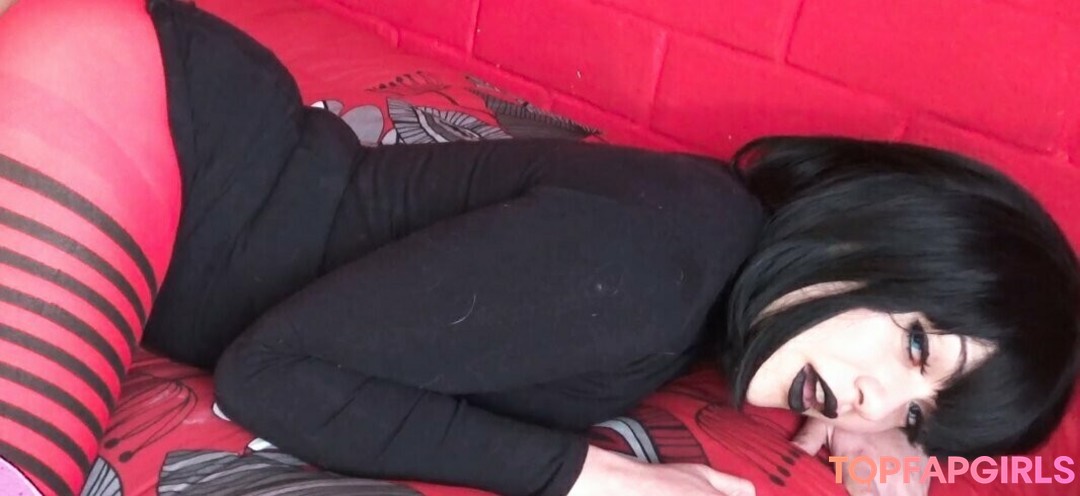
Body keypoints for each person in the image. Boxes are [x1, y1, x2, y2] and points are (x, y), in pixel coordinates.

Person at [16, 1, 1080, 495]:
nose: (877, 395)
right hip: (134, 119)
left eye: (917, 407)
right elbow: (273, 376)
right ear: (881, 240)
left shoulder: (716, 262)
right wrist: (603, 480)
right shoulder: (660, 262)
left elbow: (868, 369)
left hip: (170, 144)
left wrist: (878, 418)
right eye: (915, 342)